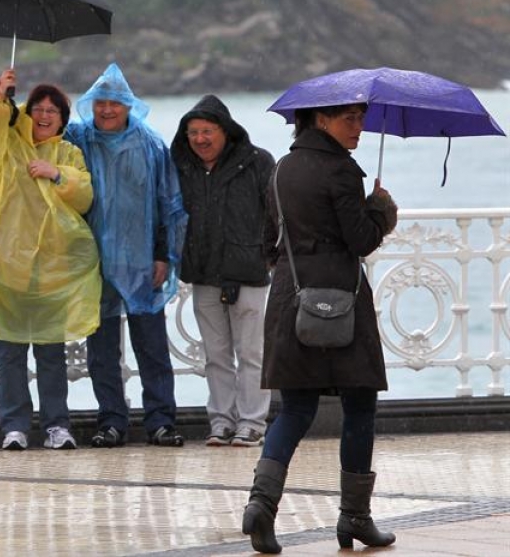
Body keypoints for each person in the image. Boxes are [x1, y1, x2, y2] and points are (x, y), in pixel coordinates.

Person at [242, 102, 398, 553]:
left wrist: (296, 270)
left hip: (291, 296)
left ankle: (261, 505)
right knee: (360, 404)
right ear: (321, 120)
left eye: (361, 118)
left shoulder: (281, 168)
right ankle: (355, 517)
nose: (359, 127)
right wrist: (381, 211)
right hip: (343, 297)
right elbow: (362, 239)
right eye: (350, 118)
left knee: (293, 410)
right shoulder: (342, 170)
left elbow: (268, 239)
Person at [0, 69, 101, 451]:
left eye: (52, 111)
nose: (43, 115)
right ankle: (15, 426)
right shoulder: (6, 147)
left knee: (50, 353)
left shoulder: (69, 153)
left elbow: (84, 196)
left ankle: (57, 425)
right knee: (10, 353)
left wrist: (57, 174)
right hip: (7, 265)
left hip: (52, 272)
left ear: (62, 119)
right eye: (37, 108)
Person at [64, 63, 188, 448]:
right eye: (100, 102)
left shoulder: (150, 145)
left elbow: (166, 204)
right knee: (101, 350)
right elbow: (36, 137)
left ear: (128, 105)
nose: (106, 110)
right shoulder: (77, 140)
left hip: (141, 260)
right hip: (93, 261)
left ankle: (161, 420)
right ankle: (111, 421)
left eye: (115, 103)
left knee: (151, 346)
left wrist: (163, 255)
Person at [170, 95, 275, 448]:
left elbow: (276, 213)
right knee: (215, 355)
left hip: (249, 272)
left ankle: (252, 422)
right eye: (193, 132)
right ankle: (221, 421)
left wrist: (269, 256)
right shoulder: (182, 166)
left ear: (225, 131)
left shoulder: (258, 162)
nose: (200, 139)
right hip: (204, 273)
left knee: (251, 353)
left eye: (207, 131)